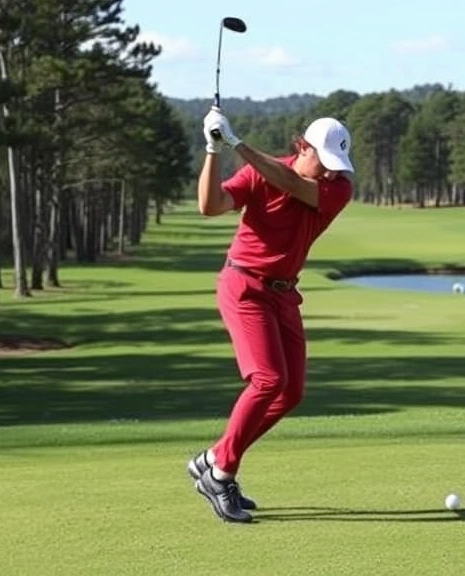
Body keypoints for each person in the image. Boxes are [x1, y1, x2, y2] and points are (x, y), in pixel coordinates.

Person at [186, 106, 355, 523]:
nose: (332, 174)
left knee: (291, 391)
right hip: (244, 287)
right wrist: (213, 149)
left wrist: (237, 143)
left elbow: (294, 184)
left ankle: (212, 459)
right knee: (268, 379)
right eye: (326, 163)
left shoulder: (336, 188)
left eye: (338, 167)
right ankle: (221, 472)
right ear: (301, 146)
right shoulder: (259, 173)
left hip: (283, 295)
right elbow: (210, 206)